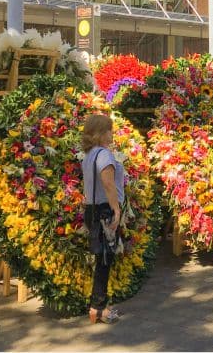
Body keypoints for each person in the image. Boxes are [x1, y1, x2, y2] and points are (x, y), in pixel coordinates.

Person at [82, 114, 123, 324]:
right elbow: (108, 184)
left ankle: (97, 306)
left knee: (102, 259)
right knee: (105, 260)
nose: (112, 133)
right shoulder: (104, 155)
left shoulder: (88, 155)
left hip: (91, 209)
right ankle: (99, 308)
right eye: (109, 130)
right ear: (100, 132)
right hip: (104, 210)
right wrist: (116, 210)